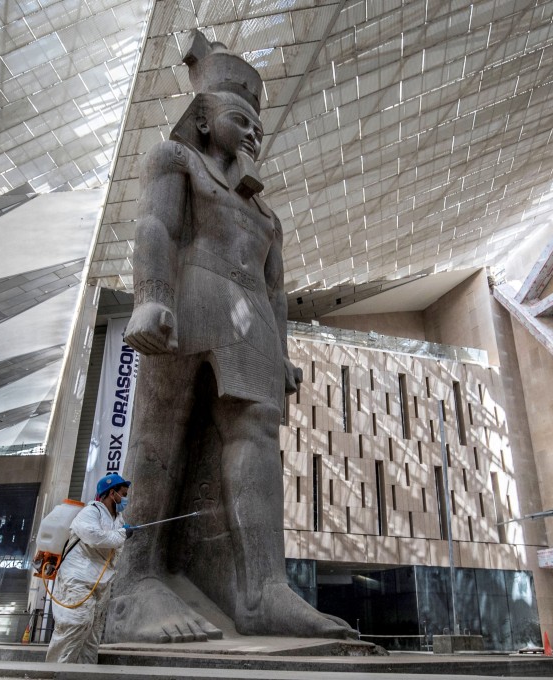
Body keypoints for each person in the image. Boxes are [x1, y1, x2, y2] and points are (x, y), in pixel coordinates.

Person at [106, 31, 354, 643]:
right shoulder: (175, 159)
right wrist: (152, 297)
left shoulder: (268, 216)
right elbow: (157, 228)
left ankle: (261, 590)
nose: (251, 134)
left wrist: (287, 355)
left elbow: (275, 293)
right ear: (203, 118)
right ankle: (134, 582)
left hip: (251, 325)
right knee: (159, 433)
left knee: (256, 436)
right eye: (239, 120)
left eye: (258, 129)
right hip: (189, 302)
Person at [45, 472, 134, 663]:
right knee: (75, 623)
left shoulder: (118, 519)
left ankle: (84, 672)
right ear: (112, 493)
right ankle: (55, 671)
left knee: (93, 632)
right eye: (123, 494)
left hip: (101, 581)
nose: (125, 499)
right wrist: (121, 535)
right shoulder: (90, 511)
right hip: (77, 577)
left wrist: (122, 534)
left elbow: (114, 550)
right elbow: (94, 537)